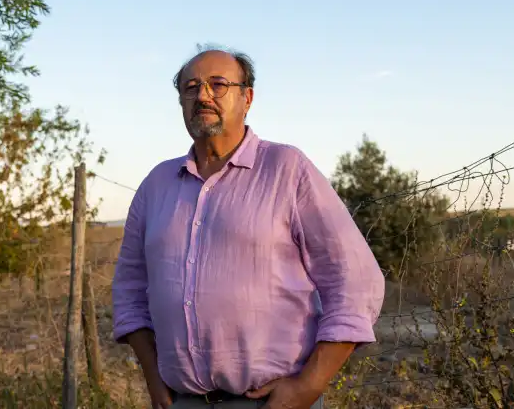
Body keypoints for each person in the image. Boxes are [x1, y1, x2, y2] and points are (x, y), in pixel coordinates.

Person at [112, 47, 385, 408]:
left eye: (218, 84)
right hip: (182, 401)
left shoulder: (287, 169)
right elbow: (129, 290)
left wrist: (308, 386)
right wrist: (152, 375)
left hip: (271, 402)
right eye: (190, 87)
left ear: (247, 97)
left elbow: (355, 280)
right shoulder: (156, 185)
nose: (203, 96)